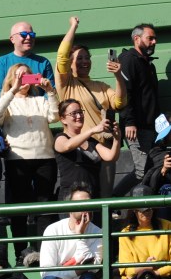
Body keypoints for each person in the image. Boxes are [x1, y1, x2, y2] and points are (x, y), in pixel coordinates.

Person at [0, 63, 60, 261]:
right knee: (19, 207)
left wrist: (50, 91)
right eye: (19, 76)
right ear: (11, 79)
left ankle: (43, 251)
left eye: (28, 75)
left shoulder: (40, 99)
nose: (24, 79)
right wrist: (13, 90)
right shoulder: (7, 101)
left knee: (44, 206)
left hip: (45, 157)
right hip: (17, 159)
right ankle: (21, 251)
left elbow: (55, 116)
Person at [55, 16, 126, 197]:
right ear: (70, 63)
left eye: (87, 58)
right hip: (80, 151)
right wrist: (73, 27)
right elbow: (61, 56)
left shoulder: (101, 86)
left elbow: (119, 102)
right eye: (79, 58)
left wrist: (118, 76)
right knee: (81, 197)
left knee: (104, 199)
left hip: (102, 148)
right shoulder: (66, 83)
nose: (84, 61)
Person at [118, 23, 160, 181]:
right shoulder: (128, 60)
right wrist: (129, 122)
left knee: (146, 171)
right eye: (150, 38)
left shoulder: (148, 64)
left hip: (151, 127)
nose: (154, 42)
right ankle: (117, 195)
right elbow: (125, 93)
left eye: (155, 38)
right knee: (142, 172)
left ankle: (116, 195)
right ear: (137, 39)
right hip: (136, 128)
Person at [54, 100, 121, 197]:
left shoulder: (91, 141)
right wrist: (93, 130)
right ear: (63, 119)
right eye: (74, 113)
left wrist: (117, 139)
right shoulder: (60, 138)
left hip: (93, 195)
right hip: (71, 197)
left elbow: (111, 156)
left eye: (80, 112)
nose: (79, 116)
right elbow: (66, 146)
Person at [0, 21, 56, 101]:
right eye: (23, 34)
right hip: (12, 108)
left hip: (38, 107)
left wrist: (35, 103)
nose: (28, 37)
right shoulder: (2, 62)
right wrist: (21, 104)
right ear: (12, 39)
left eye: (31, 34)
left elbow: (51, 90)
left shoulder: (43, 62)